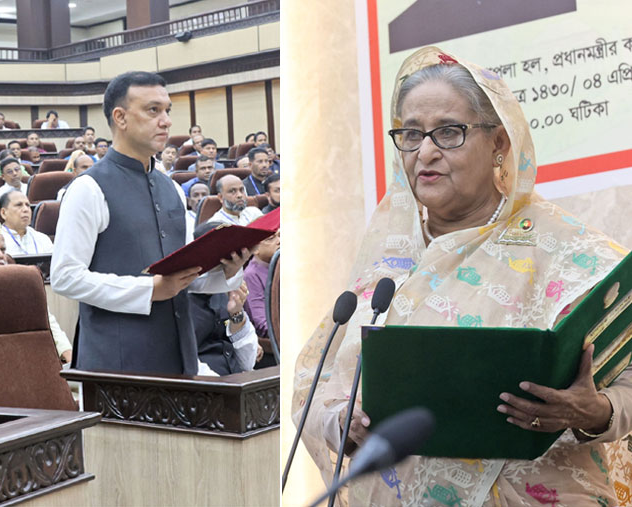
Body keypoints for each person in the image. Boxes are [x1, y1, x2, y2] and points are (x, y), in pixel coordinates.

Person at [294, 47, 632, 505]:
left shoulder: (570, 254)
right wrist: (344, 424)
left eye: (448, 132)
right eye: (411, 134)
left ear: (499, 143)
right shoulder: (388, 267)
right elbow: (314, 388)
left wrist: (597, 410)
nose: (425, 152)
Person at [51, 71, 249, 376]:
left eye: (168, 110)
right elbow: (65, 277)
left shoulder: (171, 188)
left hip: (179, 354)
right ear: (120, 117)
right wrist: (149, 290)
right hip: (116, 361)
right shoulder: (88, 188)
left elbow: (181, 277)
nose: (166, 120)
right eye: (153, 110)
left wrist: (229, 271)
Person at [0, 219, 73, 364]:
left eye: (3, 249)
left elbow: (46, 318)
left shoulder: (19, 282)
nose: (0, 255)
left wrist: (66, 351)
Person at [189, 222, 261, 375]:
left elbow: (248, 362)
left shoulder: (227, 292)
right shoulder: (180, 300)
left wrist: (237, 314)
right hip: (203, 388)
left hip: (234, 381)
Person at [242, 230, 279, 338]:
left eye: (279, 236)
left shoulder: (282, 263)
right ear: (255, 249)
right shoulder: (251, 275)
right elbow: (262, 324)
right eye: (271, 239)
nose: (279, 241)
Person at [0, 190, 53, 257]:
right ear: (3, 213)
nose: (25, 209)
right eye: (19, 205)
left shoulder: (42, 239)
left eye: (27, 205)